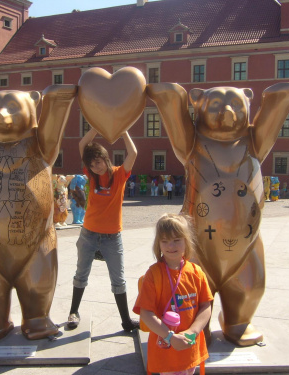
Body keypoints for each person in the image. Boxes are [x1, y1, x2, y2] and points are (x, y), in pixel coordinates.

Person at [67, 128, 139, 332]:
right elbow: (82, 145)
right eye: (91, 164)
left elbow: (133, 154)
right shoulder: (91, 175)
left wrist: (123, 132)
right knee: (81, 274)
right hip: (88, 234)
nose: (95, 167)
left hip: (112, 237)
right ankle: (73, 312)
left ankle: (126, 321)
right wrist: (97, 128)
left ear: (105, 158)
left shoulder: (119, 174)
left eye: (98, 162)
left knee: (118, 279)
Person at [134, 213, 213, 375]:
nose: (171, 246)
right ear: (159, 244)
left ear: (187, 241)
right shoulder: (154, 274)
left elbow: (206, 306)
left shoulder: (196, 272)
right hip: (165, 348)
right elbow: (146, 313)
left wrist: (193, 332)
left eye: (176, 240)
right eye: (165, 241)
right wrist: (170, 337)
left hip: (190, 346)